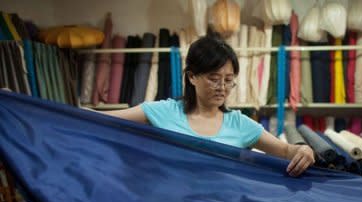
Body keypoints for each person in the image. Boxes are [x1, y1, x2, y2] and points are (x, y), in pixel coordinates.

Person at [100, 35, 315, 176]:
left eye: (229, 79)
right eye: (214, 78)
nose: (222, 87)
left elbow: (286, 150)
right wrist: (66, 114)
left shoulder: (240, 124)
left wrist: (303, 150)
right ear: (192, 77)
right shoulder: (163, 111)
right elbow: (99, 121)